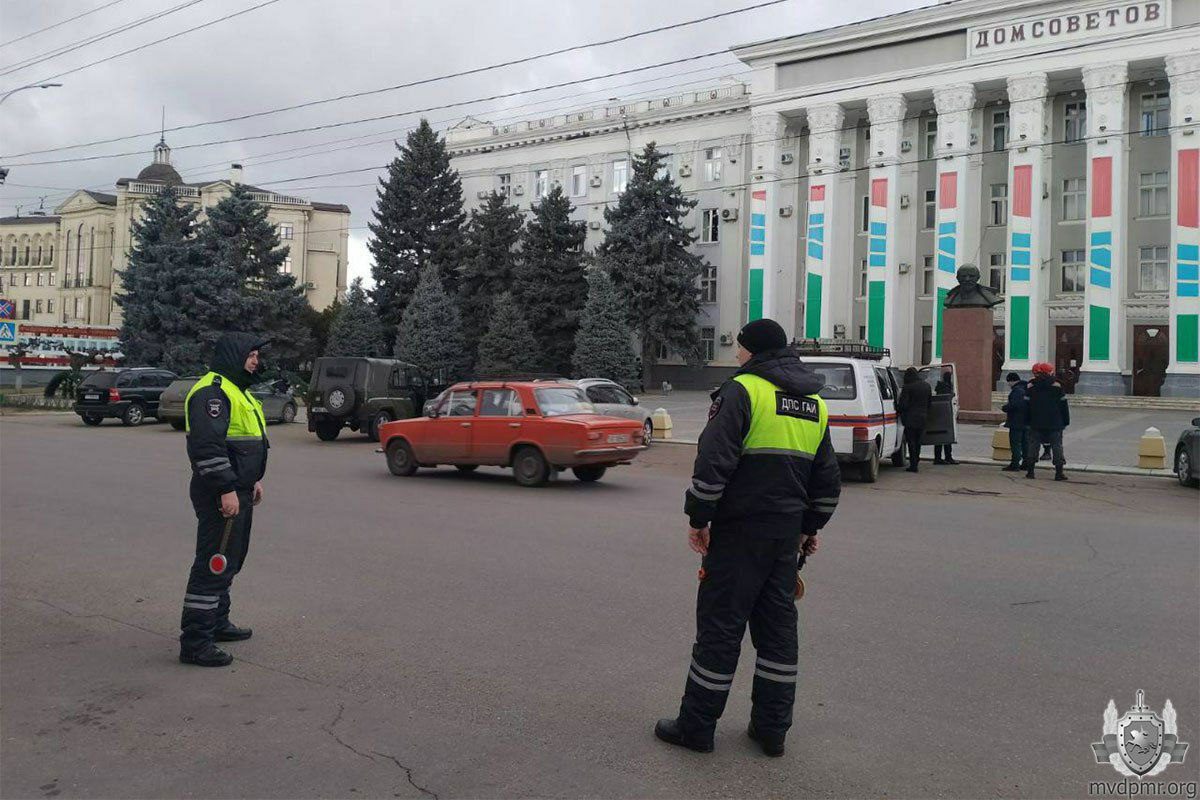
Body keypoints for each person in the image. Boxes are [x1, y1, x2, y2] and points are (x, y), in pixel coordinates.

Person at [655, 319, 840, 758]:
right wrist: (810, 527)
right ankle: (771, 731)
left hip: (740, 532)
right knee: (777, 634)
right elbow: (827, 478)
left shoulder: (743, 391)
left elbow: (713, 462)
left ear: (752, 350)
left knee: (720, 628)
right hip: (784, 538)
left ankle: (696, 728)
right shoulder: (815, 403)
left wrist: (698, 517)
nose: (735, 354)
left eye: (738, 347)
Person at [179, 333, 269, 667]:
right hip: (219, 493)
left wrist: (251, 480)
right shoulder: (212, 392)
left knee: (228, 559)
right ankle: (196, 643)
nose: (256, 361)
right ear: (235, 354)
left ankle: (217, 623)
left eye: (257, 356)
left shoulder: (235, 390)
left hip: (237, 489)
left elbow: (241, 443)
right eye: (252, 355)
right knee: (212, 564)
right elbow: (207, 447)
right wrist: (226, 488)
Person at [1023, 362, 1069, 481]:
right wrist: (1065, 421)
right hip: (1055, 422)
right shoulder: (1057, 386)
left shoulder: (1031, 386)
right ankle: (1059, 473)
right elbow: (1063, 406)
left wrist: (1026, 421)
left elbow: (1026, 406)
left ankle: (1030, 472)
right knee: (1057, 446)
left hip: (1035, 421)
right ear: (1050, 372)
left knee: (1033, 446)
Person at [896, 367, 932, 473]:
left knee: (911, 442)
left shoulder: (907, 387)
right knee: (918, 441)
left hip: (910, 418)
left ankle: (913, 464)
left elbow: (904, 404)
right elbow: (929, 403)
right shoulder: (926, 386)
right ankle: (916, 461)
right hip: (922, 418)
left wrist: (898, 408)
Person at [1000, 372, 1028, 472]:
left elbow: (1015, 405)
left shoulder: (1017, 391)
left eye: (1008, 382)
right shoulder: (1026, 388)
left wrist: (1005, 407)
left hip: (1016, 421)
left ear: (1012, 381)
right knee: (1025, 443)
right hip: (1027, 421)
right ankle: (1026, 463)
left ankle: (1015, 464)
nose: (1008, 385)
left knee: (1015, 443)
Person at [932, 367, 958, 465]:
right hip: (946, 415)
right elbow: (948, 400)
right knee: (946, 437)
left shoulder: (941, 387)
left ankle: (939, 457)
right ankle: (946, 457)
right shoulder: (946, 388)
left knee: (939, 437)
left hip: (939, 415)